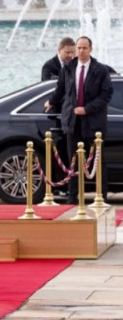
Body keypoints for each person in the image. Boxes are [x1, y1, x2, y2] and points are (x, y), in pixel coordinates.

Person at [45, 36, 113, 204]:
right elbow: (60, 89)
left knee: (98, 163)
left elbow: (106, 94)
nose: (81, 51)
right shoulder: (68, 68)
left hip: (93, 122)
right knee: (73, 161)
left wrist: (87, 109)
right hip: (72, 122)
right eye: (79, 48)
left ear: (90, 49)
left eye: (84, 48)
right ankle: (72, 196)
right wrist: (51, 101)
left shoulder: (101, 70)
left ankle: (101, 197)